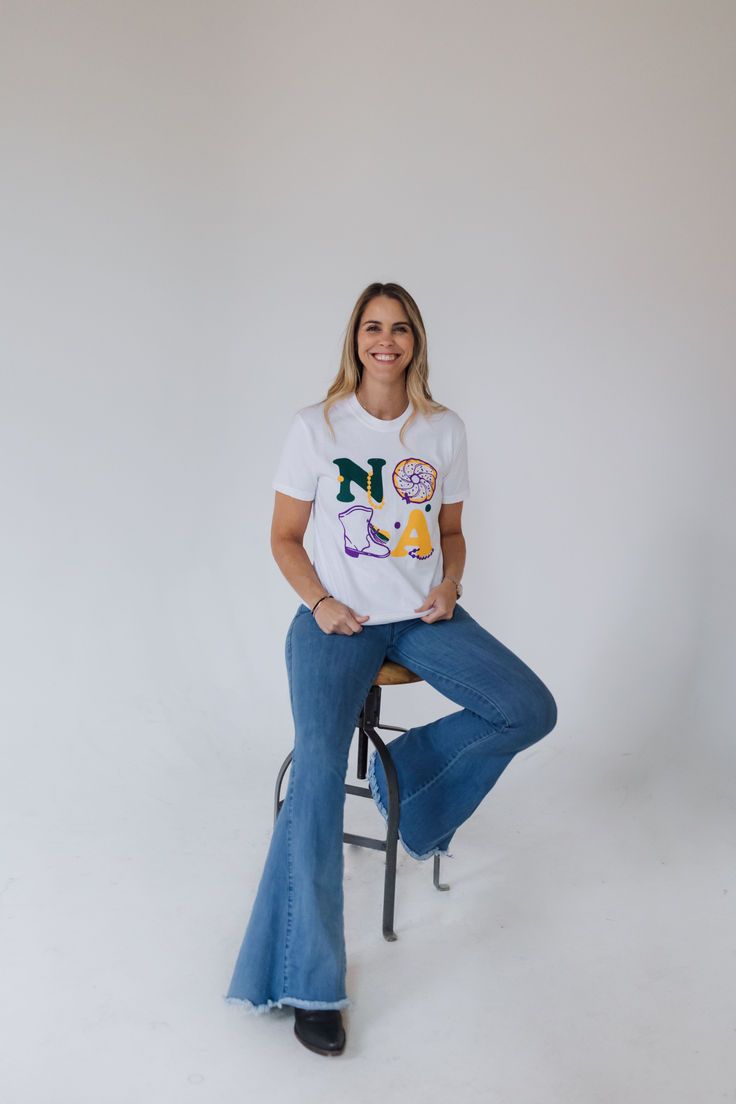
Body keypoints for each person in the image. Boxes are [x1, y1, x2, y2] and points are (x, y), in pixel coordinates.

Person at [224, 281, 558, 1057]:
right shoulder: (316, 427)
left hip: (421, 618)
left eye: (400, 328)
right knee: (313, 773)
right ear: (356, 339)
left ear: (416, 341)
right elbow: (283, 537)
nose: (387, 341)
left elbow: (452, 532)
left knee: (527, 707)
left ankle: (400, 775)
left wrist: (450, 584)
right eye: (373, 328)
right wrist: (319, 603)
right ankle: (309, 981)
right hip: (336, 623)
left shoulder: (443, 429)